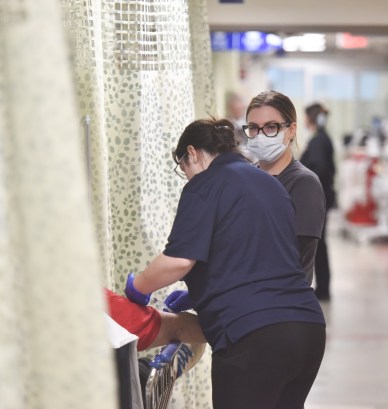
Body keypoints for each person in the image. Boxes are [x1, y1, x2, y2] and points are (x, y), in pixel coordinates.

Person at [123, 117, 326, 409]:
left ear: (191, 153)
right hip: (307, 329)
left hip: (255, 337)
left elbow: (178, 261)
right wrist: (200, 294)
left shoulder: (205, 184)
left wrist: (138, 287)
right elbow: (262, 258)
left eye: (184, 168)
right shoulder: (270, 185)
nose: (188, 177)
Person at [245, 90, 326, 286]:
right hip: (243, 300)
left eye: (271, 127)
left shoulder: (304, 184)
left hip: (283, 304)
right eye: (253, 128)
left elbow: (292, 259)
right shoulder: (244, 179)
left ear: (291, 130)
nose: (261, 135)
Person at [300, 103, 336, 300]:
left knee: (319, 244)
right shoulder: (320, 139)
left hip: (318, 199)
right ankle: (323, 287)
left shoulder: (319, 141)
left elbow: (318, 169)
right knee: (320, 243)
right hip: (321, 198)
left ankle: (323, 289)